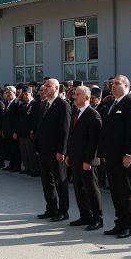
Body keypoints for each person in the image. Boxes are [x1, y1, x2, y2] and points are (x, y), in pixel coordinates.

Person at [98, 75, 131, 238]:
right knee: (115, 192)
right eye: (112, 83)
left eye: (116, 83)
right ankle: (119, 223)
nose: (112, 86)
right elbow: (106, 131)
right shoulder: (111, 103)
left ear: (126, 86)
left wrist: (129, 153)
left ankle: (127, 226)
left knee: (125, 192)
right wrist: (102, 152)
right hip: (111, 156)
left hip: (125, 157)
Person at [65, 85, 103, 230]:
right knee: (78, 189)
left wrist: (88, 160)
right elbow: (72, 136)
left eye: (78, 94)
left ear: (87, 98)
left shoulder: (93, 115)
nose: (74, 97)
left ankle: (97, 218)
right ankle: (85, 215)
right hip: (75, 158)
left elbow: (94, 141)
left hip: (87, 160)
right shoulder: (76, 112)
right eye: (74, 94)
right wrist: (69, 154)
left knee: (91, 190)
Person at [35, 78, 71, 220]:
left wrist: (62, 150)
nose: (45, 88)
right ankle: (51, 207)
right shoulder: (43, 104)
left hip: (56, 151)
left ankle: (63, 211)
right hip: (43, 150)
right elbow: (40, 127)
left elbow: (65, 130)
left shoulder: (63, 105)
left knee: (60, 181)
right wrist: (37, 146)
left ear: (56, 88)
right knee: (46, 181)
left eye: (48, 86)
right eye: (44, 86)